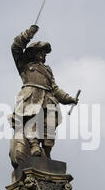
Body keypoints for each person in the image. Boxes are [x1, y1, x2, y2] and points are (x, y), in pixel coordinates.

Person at [10, 25, 77, 159]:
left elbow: (55, 88)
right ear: (33, 53)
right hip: (32, 97)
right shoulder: (24, 65)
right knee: (32, 121)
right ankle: (34, 145)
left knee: (49, 128)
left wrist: (68, 99)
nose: (43, 55)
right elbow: (15, 48)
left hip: (49, 99)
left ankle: (47, 153)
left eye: (44, 53)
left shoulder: (47, 70)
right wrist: (28, 34)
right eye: (40, 52)